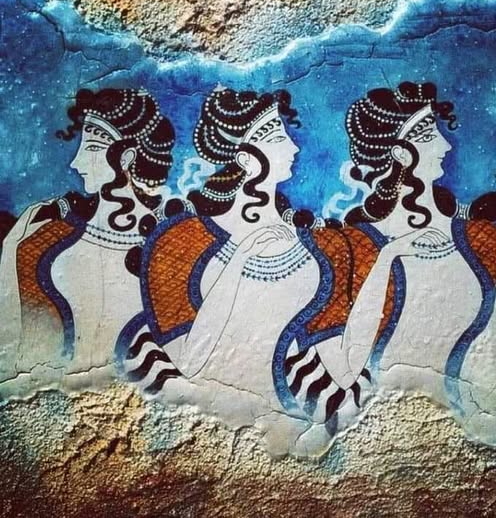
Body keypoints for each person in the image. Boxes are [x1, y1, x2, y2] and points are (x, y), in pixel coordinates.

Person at [119, 87, 433, 457]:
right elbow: (189, 363)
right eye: (279, 137)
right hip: (205, 438)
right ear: (248, 159)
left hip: (290, 428)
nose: (293, 148)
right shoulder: (181, 242)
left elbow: (345, 370)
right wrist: (240, 259)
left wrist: (386, 259)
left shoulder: (319, 248)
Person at [338, 81, 496, 446]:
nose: (445, 145)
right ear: (401, 153)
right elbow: (350, 361)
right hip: (386, 428)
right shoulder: (362, 241)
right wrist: (388, 257)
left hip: (473, 422)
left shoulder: (472, 235)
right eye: (429, 136)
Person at [0, 88, 178, 394]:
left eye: (92, 147)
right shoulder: (42, 236)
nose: (77, 161)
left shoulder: (171, 251)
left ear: (126, 158)